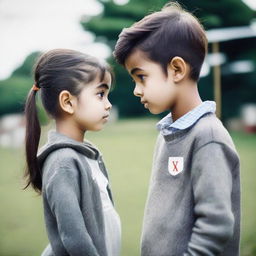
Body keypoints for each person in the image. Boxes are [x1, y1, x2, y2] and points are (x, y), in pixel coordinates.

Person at [114, 2, 240, 256]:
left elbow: (215, 227)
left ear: (177, 69)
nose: (136, 90)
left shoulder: (208, 137)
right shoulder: (168, 134)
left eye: (141, 77)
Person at [24, 49, 121, 256]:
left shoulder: (85, 153)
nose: (108, 104)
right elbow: (73, 237)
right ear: (68, 102)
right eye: (100, 94)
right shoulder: (63, 162)